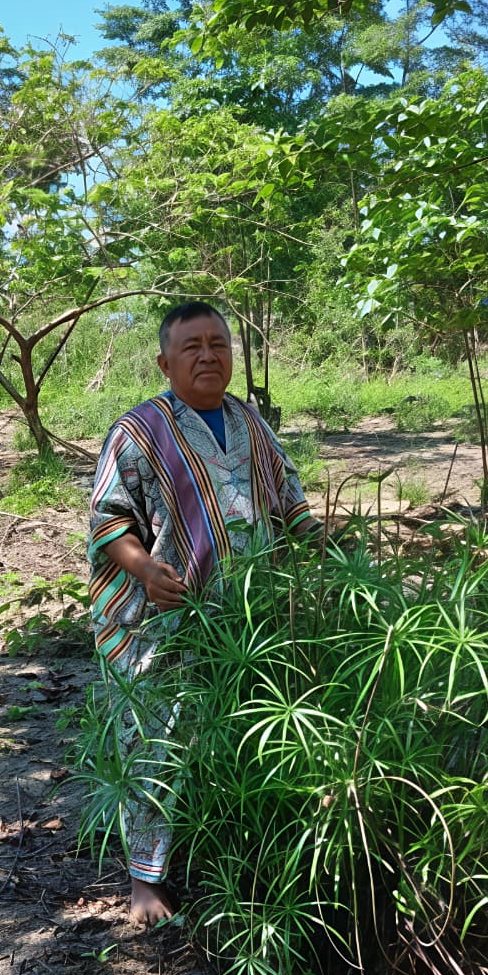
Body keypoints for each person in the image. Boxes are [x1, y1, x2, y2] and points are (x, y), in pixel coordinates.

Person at [88, 301, 322, 923]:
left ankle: (225, 854)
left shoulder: (249, 423)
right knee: (155, 736)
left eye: (219, 343)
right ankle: (145, 879)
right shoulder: (138, 432)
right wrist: (141, 566)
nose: (208, 355)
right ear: (165, 361)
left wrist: (329, 547)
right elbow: (107, 520)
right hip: (164, 620)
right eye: (191, 346)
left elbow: (287, 496)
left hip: (247, 619)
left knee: (235, 732)